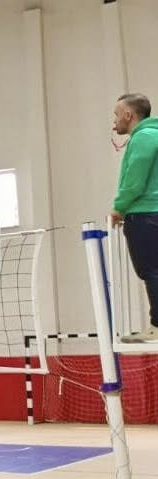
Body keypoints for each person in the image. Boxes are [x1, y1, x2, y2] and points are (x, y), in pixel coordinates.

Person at [111, 94, 158, 341]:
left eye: (116, 115)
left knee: (151, 270)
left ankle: (157, 326)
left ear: (128, 115)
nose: (114, 121)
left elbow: (134, 180)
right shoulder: (153, 135)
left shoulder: (142, 138)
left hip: (145, 214)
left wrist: (119, 207)